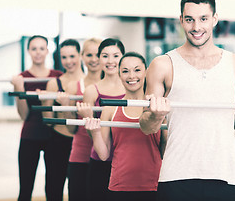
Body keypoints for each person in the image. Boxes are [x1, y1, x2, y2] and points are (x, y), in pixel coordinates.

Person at [139, 0, 235, 201]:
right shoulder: (162, 65)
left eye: (203, 19)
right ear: (181, 20)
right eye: (189, 19)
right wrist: (155, 115)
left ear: (215, 19)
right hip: (175, 176)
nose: (196, 27)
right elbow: (146, 127)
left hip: (223, 176)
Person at [78, 52, 166, 201]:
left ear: (146, 72)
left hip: (154, 185)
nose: (132, 76)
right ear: (119, 75)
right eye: (125, 71)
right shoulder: (110, 109)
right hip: (120, 185)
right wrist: (96, 132)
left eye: (137, 70)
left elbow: (165, 152)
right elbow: (104, 155)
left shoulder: (157, 108)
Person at [11, 35, 63, 201]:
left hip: (54, 136)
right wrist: (20, 90)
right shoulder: (22, 77)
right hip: (30, 136)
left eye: (42, 48)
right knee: (25, 190)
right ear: (29, 51)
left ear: (47, 50)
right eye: (34, 48)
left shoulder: (58, 76)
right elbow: (23, 115)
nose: (38, 52)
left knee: (54, 191)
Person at [79, 38, 126, 201]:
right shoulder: (92, 91)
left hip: (126, 160)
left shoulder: (133, 86)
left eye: (116, 55)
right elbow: (92, 134)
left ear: (123, 57)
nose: (111, 61)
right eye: (105, 56)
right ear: (99, 58)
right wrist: (88, 117)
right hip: (100, 159)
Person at [41, 39, 85, 200]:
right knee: (53, 190)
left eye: (72, 56)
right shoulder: (54, 83)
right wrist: (45, 101)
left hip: (82, 143)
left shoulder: (90, 83)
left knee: (79, 191)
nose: (68, 61)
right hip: (58, 142)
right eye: (64, 57)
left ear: (80, 56)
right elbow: (49, 121)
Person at [66, 38, 102, 200]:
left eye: (98, 55)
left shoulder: (116, 87)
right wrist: (67, 106)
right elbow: (71, 129)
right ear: (82, 56)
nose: (94, 59)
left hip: (105, 156)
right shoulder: (74, 87)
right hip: (80, 155)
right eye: (89, 55)